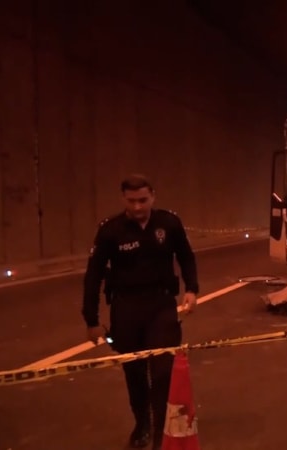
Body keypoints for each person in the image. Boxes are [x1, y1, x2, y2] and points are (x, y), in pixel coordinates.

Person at [81, 174, 199, 450]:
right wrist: (92, 320)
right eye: (131, 201)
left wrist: (192, 289)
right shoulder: (110, 230)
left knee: (162, 373)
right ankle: (142, 425)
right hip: (126, 309)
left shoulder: (169, 223)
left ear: (153, 196)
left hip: (161, 306)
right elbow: (93, 275)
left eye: (142, 200)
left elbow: (186, 256)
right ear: (124, 199)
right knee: (134, 373)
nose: (137, 207)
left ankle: (161, 432)